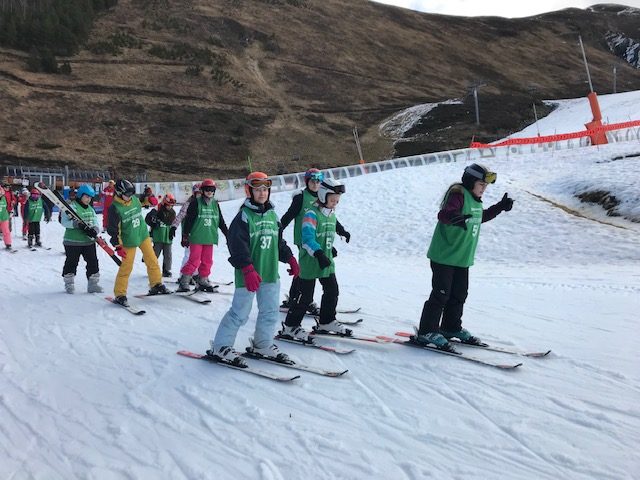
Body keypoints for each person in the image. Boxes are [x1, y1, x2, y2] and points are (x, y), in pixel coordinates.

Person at [413, 163, 514, 350]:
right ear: (470, 182)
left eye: (485, 186)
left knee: (459, 294)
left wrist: (500, 207)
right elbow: (444, 214)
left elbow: (479, 217)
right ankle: (426, 331)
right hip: (444, 257)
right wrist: (454, 217)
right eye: (481, 184)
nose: (484, 189)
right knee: (440, 295)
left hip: (461, 259)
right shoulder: (458, 194)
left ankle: (451, 327)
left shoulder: (475, 200)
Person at [209, 172, 299, 366]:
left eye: (265, 189)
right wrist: (247, 269)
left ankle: (262, 343)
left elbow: (278, 242)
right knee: (239, 313)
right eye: (257, 190)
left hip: (269, 273)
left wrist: (290, 258)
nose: (262, 193)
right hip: (248, 274)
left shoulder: (273, 215)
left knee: (270, 311)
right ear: (249, 191)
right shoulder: (243, 217)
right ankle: (221, 346)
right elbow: (237, 245)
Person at [281, 178, 348, 341]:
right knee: (305, 297)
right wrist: (319, 253)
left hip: (326, 262)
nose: (335, 204)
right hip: (311, 262)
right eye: (332, 200)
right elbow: (307, 239)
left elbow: (325, 235)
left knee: (332, 291)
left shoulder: (331, 215)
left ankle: (327, 321)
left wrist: (331, 246)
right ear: (323, 196)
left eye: (337, 201)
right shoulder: (311, 214)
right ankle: (291, 326)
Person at [107, 179, 170, 306]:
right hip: (128, 241)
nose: (130, 197)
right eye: (127, 194)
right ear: (119, 193)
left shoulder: (134, 200)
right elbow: (113, 231)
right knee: (126, 267)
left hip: (142, 235)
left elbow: (151, 202)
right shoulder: (115, 208)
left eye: (131, 194)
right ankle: (120, 294)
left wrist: (149, 196)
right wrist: (118, 246)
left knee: (152, 260)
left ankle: (156, 284)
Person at [177, 179, 228, 292]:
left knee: (207, 261)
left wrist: (227, 234)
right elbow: (189, 220)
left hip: (209, 237)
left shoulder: (215, 204)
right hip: (197, 237)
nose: (209, 192)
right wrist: (185, 235)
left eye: (211, 190)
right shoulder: (195, 203)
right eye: (207, 189)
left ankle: (203, 280)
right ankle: (184, 280)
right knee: (194, 260)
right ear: (202, 190)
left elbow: (220, 221)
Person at [60, 184, 103, 294]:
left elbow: (95, 222)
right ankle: (69, 283)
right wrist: (76, 224)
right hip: (72, 241)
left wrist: (95, 229)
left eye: (90, 197)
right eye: (86, 197)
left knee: (93, 262)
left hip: (88, 242)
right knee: (72, 262)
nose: (88, 199)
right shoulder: (71, 207)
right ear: (80, 196)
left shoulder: (91, 209)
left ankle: (93, 284)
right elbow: (64, 221)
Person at [172, 183, 202, 285]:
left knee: (198, 256)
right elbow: (180, 216)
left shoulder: (204, 203)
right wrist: (174, 227)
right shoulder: (189, 203)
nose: (199, 195)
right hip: (189, 234)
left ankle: (195, 274)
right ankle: (183, 275)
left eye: (200, 192)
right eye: (197, 193)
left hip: (200, 235)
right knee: (189, 255)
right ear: (194, 193)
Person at [145, 193, 177, 277]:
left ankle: (166, 270)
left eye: (171, 205)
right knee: (155, 253)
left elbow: (174, 223)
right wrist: (154, 222)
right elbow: (147, 218)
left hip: (167, 236)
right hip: (158, 235)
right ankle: (151, 269)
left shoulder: (172, 212)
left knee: (168, 254)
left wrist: (173, 230)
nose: (169, 207)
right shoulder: (157, 209)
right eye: (168, 205)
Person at [0, 185, 12, 250]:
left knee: (6, 231)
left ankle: (8, 244)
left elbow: (8, 206)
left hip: (4, 217)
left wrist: (11, 211)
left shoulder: (5, 198)